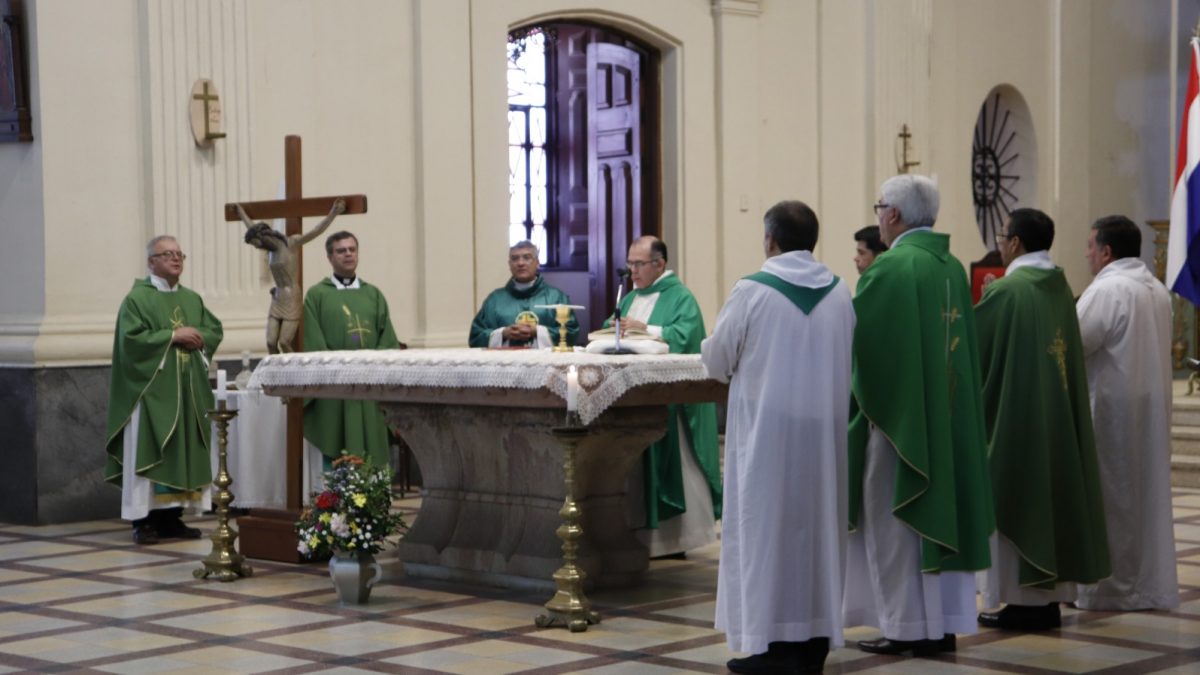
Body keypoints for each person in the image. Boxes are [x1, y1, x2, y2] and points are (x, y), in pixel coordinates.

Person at [843, 175, 994, 656]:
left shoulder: (890, 270)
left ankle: (906, 626)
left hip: (898, 428)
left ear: (893, 215)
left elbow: (860, 352)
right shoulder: (950, 267)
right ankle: (942, 624)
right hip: (947, 419)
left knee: (893, 525)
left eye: (878, 207)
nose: (877, 216)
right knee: (941, 513)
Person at [703, 201, 854, 674]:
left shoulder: (752, 290)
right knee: (817, 540)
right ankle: (812, 645)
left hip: (767, 442)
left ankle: (772, 648)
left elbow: (716, 360)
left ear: (770, 240)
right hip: (824, 442)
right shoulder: (840, 292)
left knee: (767, 539)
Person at [974, 208, 1111, 631]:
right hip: (1054, 418)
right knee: (1050, 504)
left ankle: (1021, 604)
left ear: (1015, 243)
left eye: (1002, 235)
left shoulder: (1010, 292)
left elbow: (974, 355)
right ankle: (1047, 600)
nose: (999, 242)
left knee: (1019, 499)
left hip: (1019, 420)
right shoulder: (1059, 288)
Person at [1076, 215, 1179, 611]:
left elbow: (1076, 339)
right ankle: (1146, 586)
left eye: (1089, 245)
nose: (1086, 253)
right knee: (1143, 498)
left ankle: (1110, 589)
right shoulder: (1155, 289)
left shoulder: (1108, 289)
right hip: (1149, 409)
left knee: (1112, 498)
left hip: (1112, 412)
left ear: (1106, 251)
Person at [105, 235, 223, 545]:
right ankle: (143, 521)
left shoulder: (192, 299)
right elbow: (130, 343)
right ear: (151, 262)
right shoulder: (137, 300)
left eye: (179, 254)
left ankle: (173, 518)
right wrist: (172, 335)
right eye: (167, 254)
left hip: (188, 392)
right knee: (152, 449)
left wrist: (199, 335)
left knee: (183, 451)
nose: (175, 259)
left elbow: (214, 330)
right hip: (153, 392)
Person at [613, 235, 722, 557]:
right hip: (638, 396)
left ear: (659, 264)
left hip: (671, 404)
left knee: (678, 465)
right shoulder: (631, 296)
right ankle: (645, 539)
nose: (632, 270)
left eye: (638, 264)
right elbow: (614, 326)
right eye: (630, 263)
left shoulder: (680, 296)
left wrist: (645, 329)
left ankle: (678, 540)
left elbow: (687, 336)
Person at [303, 231, 404, 470]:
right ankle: (336, 500)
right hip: (335, 389)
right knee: (337, 443)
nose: (348, 254)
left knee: (373, 445)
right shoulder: (317, 295)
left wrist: (369, 364)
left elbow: (387, 340)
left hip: (370, 387)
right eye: (341, 250)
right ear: (330, 257)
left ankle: (374, 498)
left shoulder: (373, 294)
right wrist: (341, 369)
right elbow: (313, 342)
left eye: (352, 249)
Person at [238, 198, 345, 353]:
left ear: (263, 237)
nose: (256, 247)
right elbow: (251, 227)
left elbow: (316, 231)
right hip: (278, 297)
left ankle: (293, 373)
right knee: (270, 342)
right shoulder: (271, 250)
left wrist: (333, 213)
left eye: (256, 243)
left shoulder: (292, 243)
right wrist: (240, 211)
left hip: (291, 298)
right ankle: (275, 373)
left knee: (284, 342)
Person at [469, 241, 579, 348]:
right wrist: (503, 334)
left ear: (537, 263)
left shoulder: (556, 297)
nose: (520, 263)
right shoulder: (495, 300)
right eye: (514, 258)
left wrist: (537, 331)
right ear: (509, 265)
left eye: (527, 257)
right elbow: (476, 337)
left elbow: (571, 333)